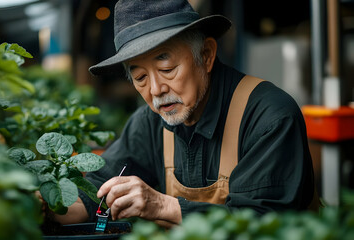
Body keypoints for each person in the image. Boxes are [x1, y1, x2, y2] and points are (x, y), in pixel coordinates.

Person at [50, 0, 319, 226]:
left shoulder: (269, 117)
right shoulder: (148, 125)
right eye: (140, 77)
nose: (156, 89)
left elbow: (263, 224)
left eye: (167, 69)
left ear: (207, 54)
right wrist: (40, 203)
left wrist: (159, 205)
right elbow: (92, 195)